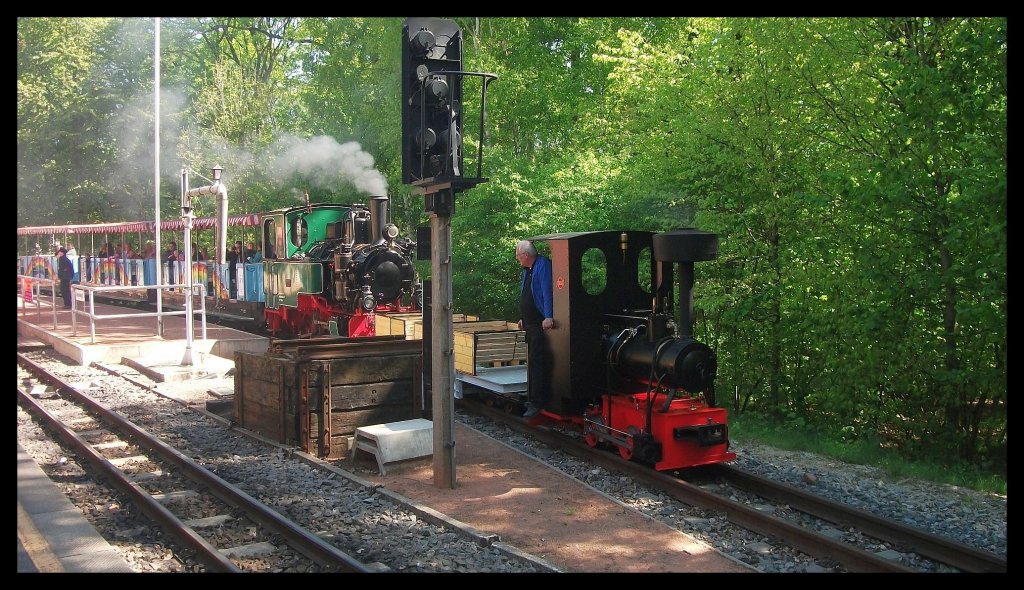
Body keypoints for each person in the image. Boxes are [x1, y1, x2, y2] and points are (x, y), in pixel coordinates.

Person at [515, 240, 555, 418]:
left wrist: (548, 315)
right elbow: (527, 294)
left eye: (518, 255)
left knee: (537, 362)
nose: (517, 258)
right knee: (531, 362)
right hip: (530, 324)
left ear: (526, 255)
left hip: (540, 323)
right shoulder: (527, 271)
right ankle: (532, 397)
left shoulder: (543, 265)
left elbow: (547, 291)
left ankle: (538, 402)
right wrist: (524, 317)